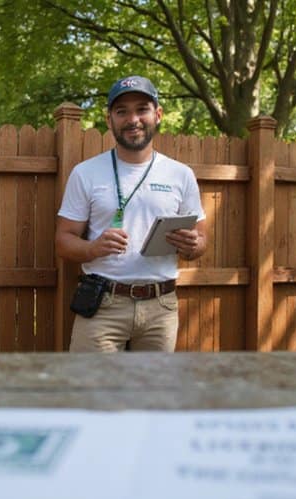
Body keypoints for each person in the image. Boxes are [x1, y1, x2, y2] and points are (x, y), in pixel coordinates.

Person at [56, 75, 208, 352]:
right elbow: (63, 240)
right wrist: (92, 248)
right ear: (109, 119)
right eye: (121, 111)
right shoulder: (85, 173)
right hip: (102, 306)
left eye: (142, 109)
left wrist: (194, 244)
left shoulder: (181, 175)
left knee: (151, 395)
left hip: (160, 307)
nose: (132, 119)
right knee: (91, 393)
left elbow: (201, 242)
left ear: (158, 115)